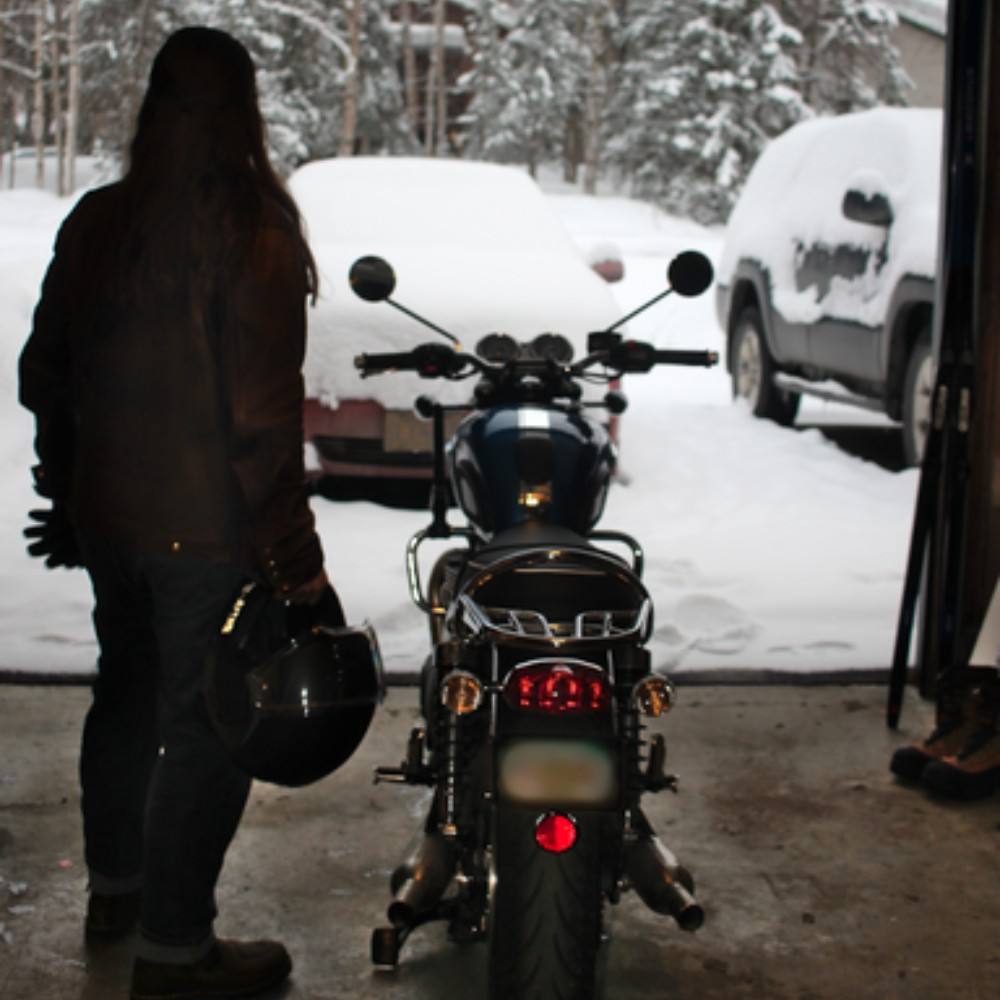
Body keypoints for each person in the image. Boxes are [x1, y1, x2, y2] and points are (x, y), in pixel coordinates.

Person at [19, 26, 327, 1000]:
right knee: (209, 729)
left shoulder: (100, 219)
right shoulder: (257, 234)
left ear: (151, 107)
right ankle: (175, 950)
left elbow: (45, 375)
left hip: (112, 525)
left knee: (125, 693)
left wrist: (67, 492)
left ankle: (116, 896)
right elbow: (263, 425)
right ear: (247, 114)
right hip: (208, 538)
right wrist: (299, 570)